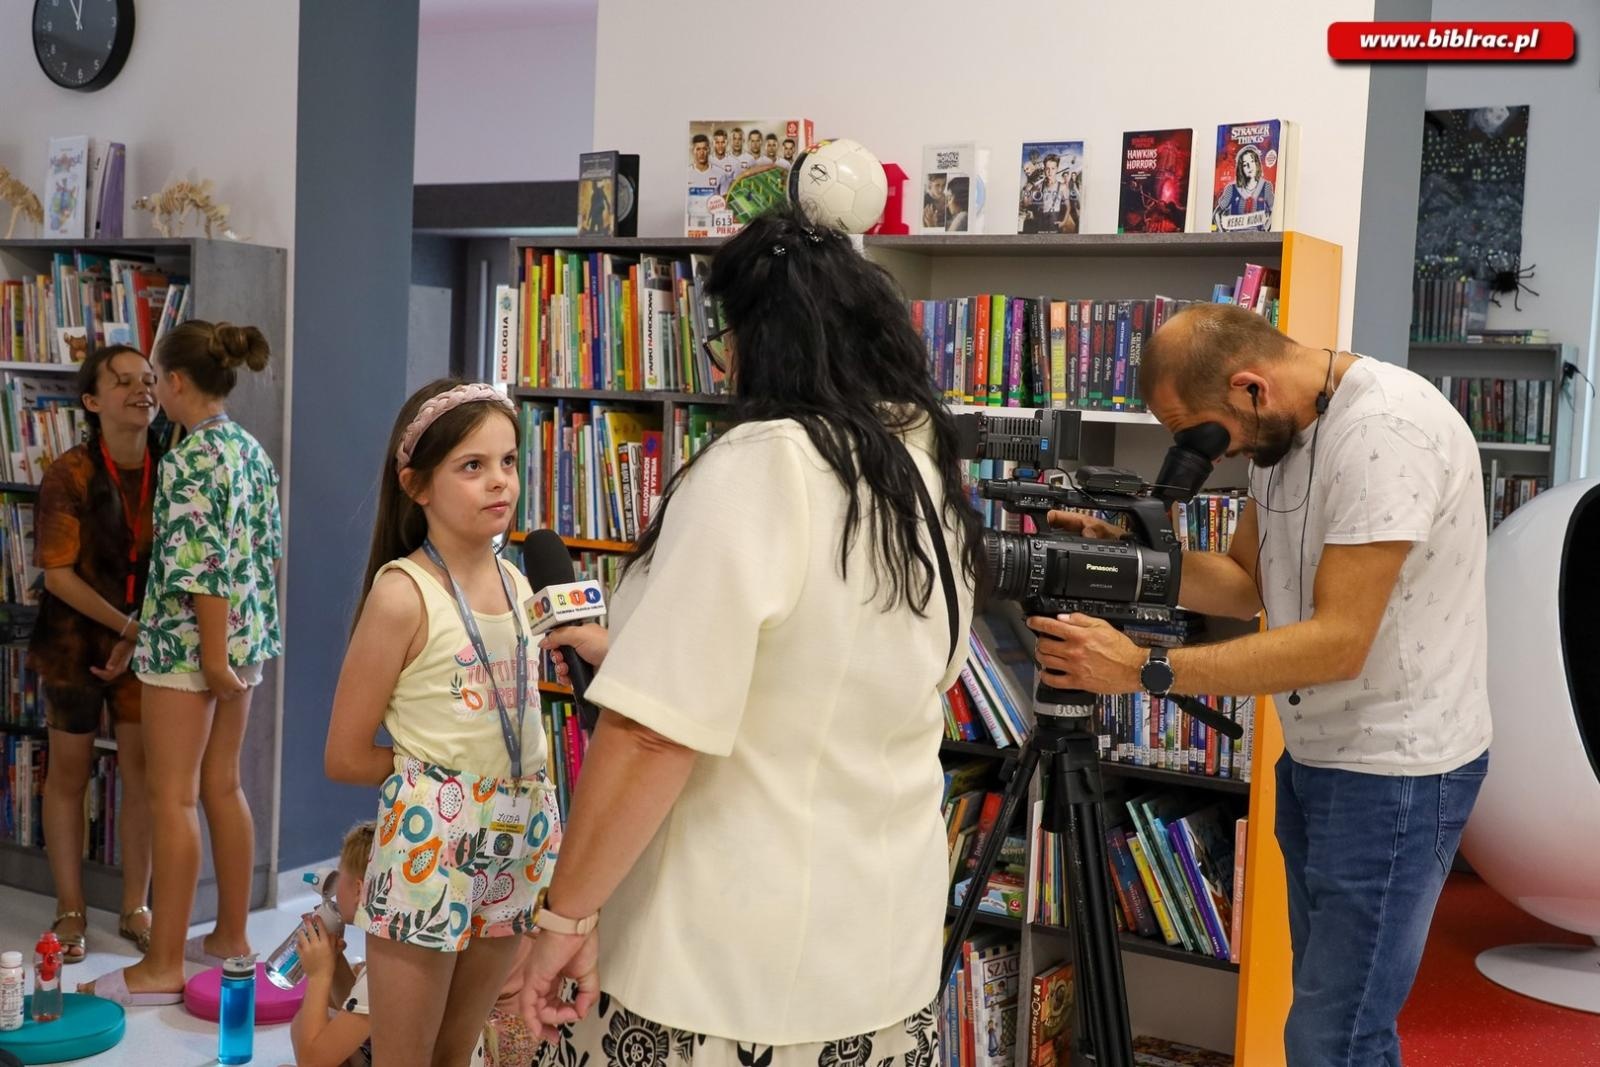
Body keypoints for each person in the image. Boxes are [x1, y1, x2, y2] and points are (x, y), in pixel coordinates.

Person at [517, 204, 981, 1063]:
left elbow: (655, 733)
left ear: (766, 339)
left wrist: (565, 915)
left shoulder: (760, 465)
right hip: (879, 955)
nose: (722, 360)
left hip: (720, 964)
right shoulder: (921, 479)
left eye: (725, 334)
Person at [1034, 302, 1490, 1066]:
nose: (1207, 456)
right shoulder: (1283, 430)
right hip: (1318, 758)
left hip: (1395, 771)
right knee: (1330, 1021)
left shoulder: (1385, 435)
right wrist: (1128, 561)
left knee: (1333, 1037)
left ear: (1250, 386)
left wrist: (1145, 668)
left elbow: (1338, 643)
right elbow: (1246, 583)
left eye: (1204, 434)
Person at [323, 379, 561, 1067]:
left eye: (509, 461)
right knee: (408, 1056)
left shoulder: (519, 585)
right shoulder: (403, 593)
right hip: (436, 841)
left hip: (519, 834)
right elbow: (344, 754)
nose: (499, 482)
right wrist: (430, 781)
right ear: (416, 484)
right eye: (472, 465)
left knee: (460, 1050)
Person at [79, 320, 283, 1006]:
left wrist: (213, 659)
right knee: (222, 785)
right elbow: (261, 555)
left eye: (155, 378)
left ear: (176, 382)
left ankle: (163, 960)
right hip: (242, 643)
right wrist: (230, 655)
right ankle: (230, 935)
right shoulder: (249, 450)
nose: (150, 389)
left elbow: (204, 574)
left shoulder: (192, 460)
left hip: (195, 651)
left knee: (174, 796)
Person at [31, 344, 161, 964]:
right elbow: (57, 575)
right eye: (125, 382)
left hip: (148, 649)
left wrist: (140, 636)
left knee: (142, 779)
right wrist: (125, 629)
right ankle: (71, 909)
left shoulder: (176, 468)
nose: (143, 390)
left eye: (150, 379)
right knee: (69, 775)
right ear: (91, 401)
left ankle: (136, 906)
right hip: (74, 644)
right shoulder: (70, 472)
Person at [290, 821, 377, 1067]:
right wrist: (335, 962)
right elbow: (361, 1008)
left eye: (340, 874)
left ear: (359, 889)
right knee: (316, 1023)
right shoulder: (394, 945)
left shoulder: (384, 969)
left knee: (305, 1029)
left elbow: (312, 1062)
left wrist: (319, 975)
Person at [1212, 144, 1275, 232]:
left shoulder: (1265, 186)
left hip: (1258, 239)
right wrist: (1223, 233)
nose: (1250, 167)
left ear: (1257, 163)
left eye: (1252, 161)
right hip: (1235, 240)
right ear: (1241, 169)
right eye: (1245, 165)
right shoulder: (1232, 189)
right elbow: (1217, 213)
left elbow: (1275, 211)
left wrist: (1266, 228)